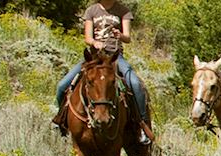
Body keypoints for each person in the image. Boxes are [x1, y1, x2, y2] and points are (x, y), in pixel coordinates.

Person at [53, 0, 154, 145]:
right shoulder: (91, 10)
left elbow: (128, 38)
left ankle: (142, 125)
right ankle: (61, 119)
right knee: (62, 85)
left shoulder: (123, 11)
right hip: (94, 58)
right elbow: (88, 38)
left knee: (135, 84)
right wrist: (95, 43)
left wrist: (120, 35)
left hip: (114, 58)